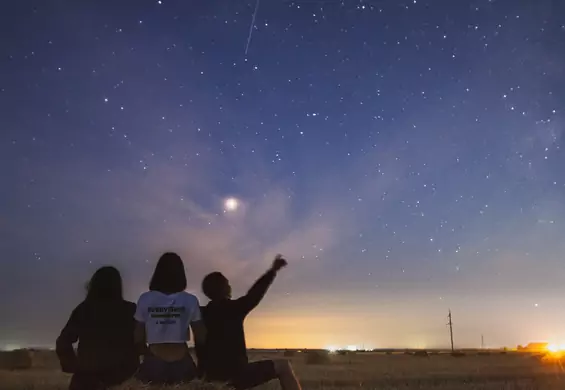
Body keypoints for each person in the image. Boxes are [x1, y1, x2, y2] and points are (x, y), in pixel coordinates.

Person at [198, 254, 301, 390]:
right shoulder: (235, 308)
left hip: (209, 376)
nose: (230, 286)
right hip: (237, 375)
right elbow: (255, 293)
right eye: (227, 284)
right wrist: (273, 271)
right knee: (283, 366)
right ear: (224, 288)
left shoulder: (200, 313)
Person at [56, 266, 139, 390]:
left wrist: (74, 366)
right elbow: (140, 342)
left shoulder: (83, 310)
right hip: (121, 376)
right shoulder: (130, 310)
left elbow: (63, 341)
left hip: (86, 379)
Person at [134, 252, 206, 385]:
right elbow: (201, 335)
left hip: (154, 359)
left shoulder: (145, 298)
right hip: (182, 359)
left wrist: (145, 352)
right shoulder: (190, 300)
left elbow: (138, 335)